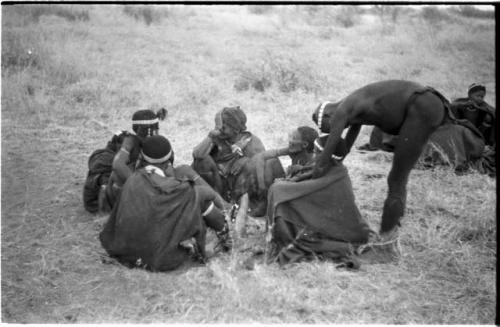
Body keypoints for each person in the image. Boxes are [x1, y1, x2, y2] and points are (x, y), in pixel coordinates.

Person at [311, 80, 454, 239]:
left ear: (326, 115)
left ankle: (387, 240)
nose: (332, 130)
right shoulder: (354, 111)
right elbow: (345, 150)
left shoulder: (341, 111)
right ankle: (392, 228)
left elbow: (324, 161)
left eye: (327, 127)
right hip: (426, 104)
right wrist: (337, 165)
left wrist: (311, 184)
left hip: (421, 105)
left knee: (397, 179)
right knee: (398, 179)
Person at [99, 135, 232, 272]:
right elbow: (206, 194)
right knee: (199, 200)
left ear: (143, 158)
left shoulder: (133, 178)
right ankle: (227, 236)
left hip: (125, 252)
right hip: (158, 259)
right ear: (168, 160)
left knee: (190, 199)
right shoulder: (176, 188)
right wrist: (221, 205)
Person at [266, 132, 374, 267]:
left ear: (326, 155)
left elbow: (308, 192)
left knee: (279, 194)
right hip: (322, 219)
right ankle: (287, 242)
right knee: (281, 193)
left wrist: (283, 187)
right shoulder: (328, 167)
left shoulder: (335, 174)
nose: (314, 155)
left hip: (335, 228)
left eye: (316, 152)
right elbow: (307, 184)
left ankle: (287, 244)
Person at [192, 106, 285, 236]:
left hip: (243, 190)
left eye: (225, 125)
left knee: (264, 163)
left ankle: (255, 207)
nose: (221, 128)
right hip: (221, 188)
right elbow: (197, 155)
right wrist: (210, 137)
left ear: (236, 128)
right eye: (219, 125)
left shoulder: (251, 141)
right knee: (202, 161)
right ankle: (220, 206)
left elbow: (262, 167)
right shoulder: (217, 139)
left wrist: (244, 160)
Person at [83, 108, 166, 214]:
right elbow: (118, 165)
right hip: (106, 174)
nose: (154, 133)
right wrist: (140, 187)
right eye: (150, 130)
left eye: (155, 129)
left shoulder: (152, 144)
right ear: (140, 129)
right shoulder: (130, 142)